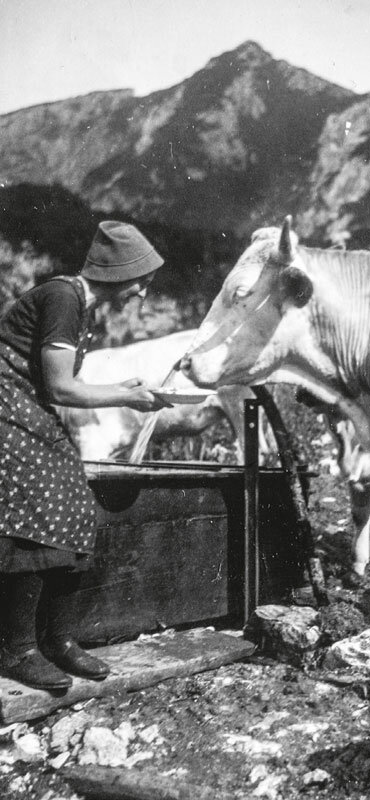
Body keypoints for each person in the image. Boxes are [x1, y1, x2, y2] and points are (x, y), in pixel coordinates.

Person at [0, 220, 170, 691]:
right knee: (36, 507)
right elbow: (59, 386)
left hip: (24, 406)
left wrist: (126, 390)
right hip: (6, 407)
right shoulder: (63, 299)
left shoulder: (81, 306)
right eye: (141, 280)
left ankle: (57, 639)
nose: (141, 293)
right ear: (119, 271)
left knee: (75, 504)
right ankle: (16, 650)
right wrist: (125, 396)